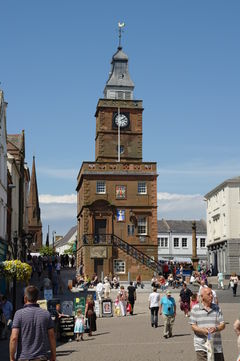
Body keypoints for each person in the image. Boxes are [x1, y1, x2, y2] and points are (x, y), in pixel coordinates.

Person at [9, 285, 56, 361]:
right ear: (37, 298)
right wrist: (53, 355)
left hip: (23, 357)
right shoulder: (46, 314)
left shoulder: (19, 314)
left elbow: (14, 338)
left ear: (25, 298)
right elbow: (52, 336)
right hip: (41, 357)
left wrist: (11, 358)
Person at [189, 287, 225, 361]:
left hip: (216, 345)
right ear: (202, 297)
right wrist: (203, 330)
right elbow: (193, 326)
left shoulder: (217, 308)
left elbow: (223, 324)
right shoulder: (195, 308)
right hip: (201, 345)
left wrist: (216, 329)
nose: (211, 295)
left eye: (211, 293)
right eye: (209, 294)